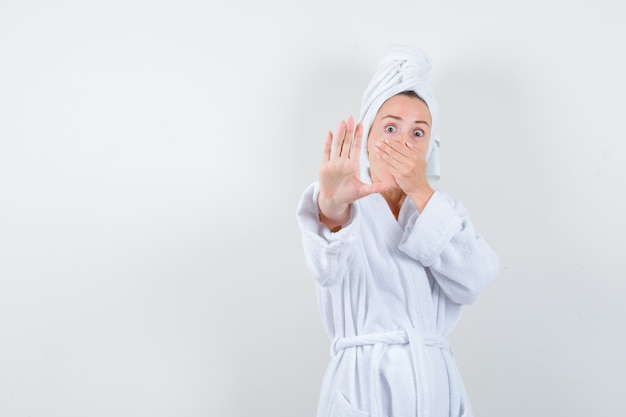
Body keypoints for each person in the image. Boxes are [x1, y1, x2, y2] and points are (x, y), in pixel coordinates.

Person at [296, 45, 499, 417]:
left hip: (434, 385)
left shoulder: (443, 210)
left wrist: (422, 193)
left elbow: (475, 280)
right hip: (363, 385)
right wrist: (332, 205)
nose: (404, 142)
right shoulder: (343, 204)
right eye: (390, 127)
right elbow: (326, 267)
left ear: (429, 147)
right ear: (366, 139)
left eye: (418, 133)